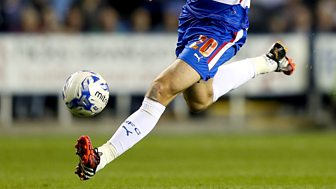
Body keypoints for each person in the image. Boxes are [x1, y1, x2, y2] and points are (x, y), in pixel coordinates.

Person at [74, 0, 296, 180]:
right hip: (193, 17)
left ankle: (100, 157)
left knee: (160, 89)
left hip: (223, 23)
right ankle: (269, 62)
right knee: (200, 100)